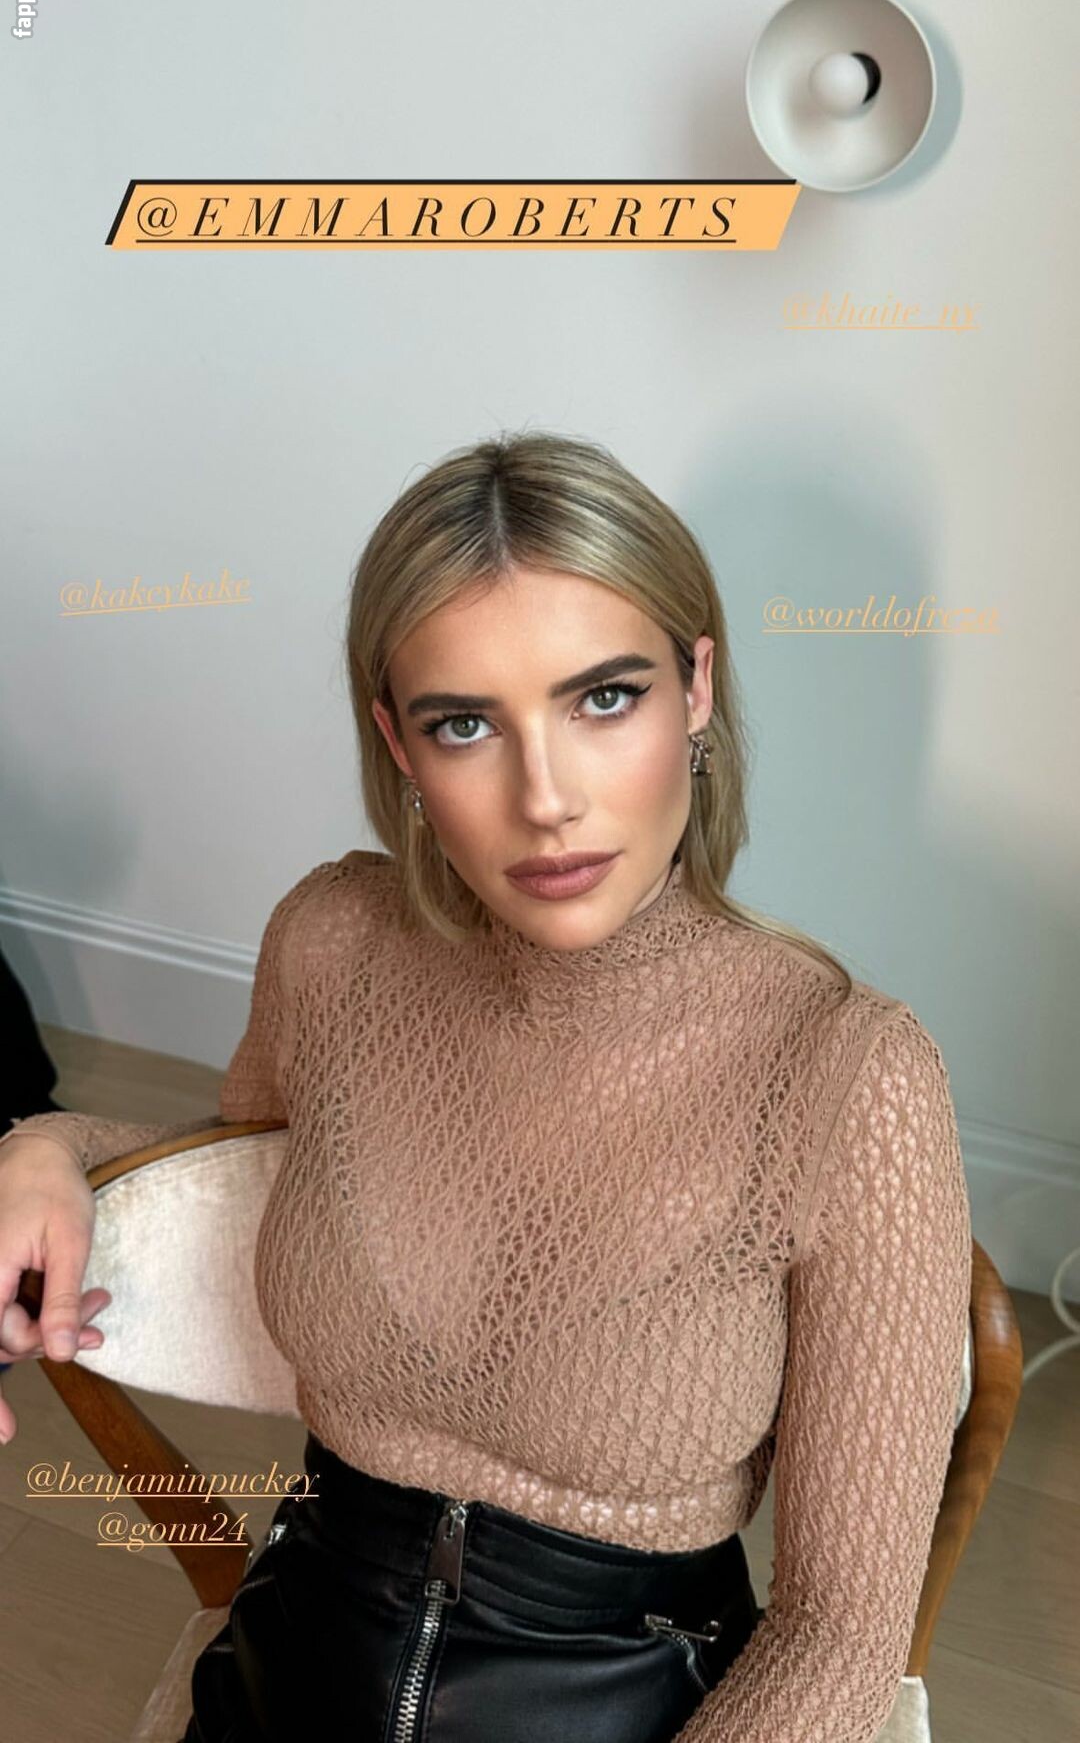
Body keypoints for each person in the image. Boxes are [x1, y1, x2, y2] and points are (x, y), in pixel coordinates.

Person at [0, 430, 973, 1743]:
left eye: (604, 699)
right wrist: (48, 1145)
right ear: (399, 744)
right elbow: (246, 1184)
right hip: (291, 1664)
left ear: (696, 688)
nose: (546, 797)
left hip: (631, 1701)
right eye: (466, 724)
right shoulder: (334, 942)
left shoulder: (854, 1079)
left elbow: (840, 1643)